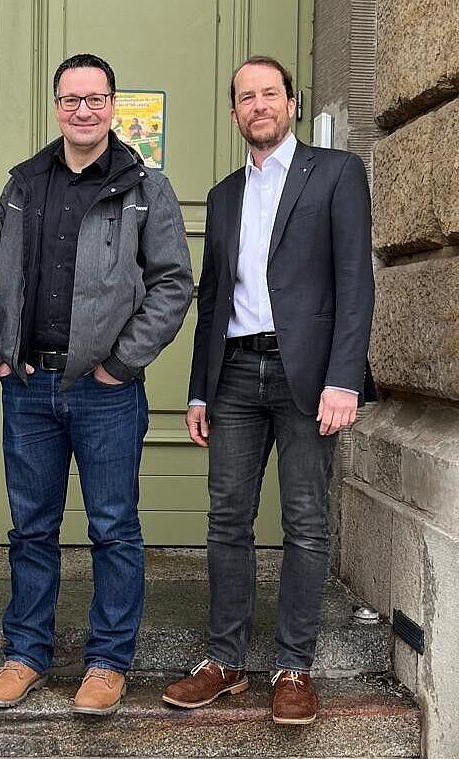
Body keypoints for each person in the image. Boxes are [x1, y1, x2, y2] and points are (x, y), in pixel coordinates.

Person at [162, 56, 373, 725]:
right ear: (234, 114)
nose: (259, 105)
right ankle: (225, 661)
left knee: (305, 522)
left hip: (307, 375)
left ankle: (293, 666)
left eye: (270, 93)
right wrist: (198, 391)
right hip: (234, 374)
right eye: (246, 97)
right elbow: (212, 298)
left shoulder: (336, 173)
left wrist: (344, 377)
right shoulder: (224, 194)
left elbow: (356, 282)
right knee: (227, 519)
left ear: (291, 103)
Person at [0, 53, 193, 716]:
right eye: (71, 99)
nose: (83, 110)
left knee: (113, 528)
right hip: (29, 386)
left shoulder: (145, 187)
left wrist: (120, 364)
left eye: (95, 99)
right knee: (31, 528)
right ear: (56, 106)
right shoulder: (23, 183)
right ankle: (25, 654)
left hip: (107, 392)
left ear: (112, 105)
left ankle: (107, 663)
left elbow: (173, 284)